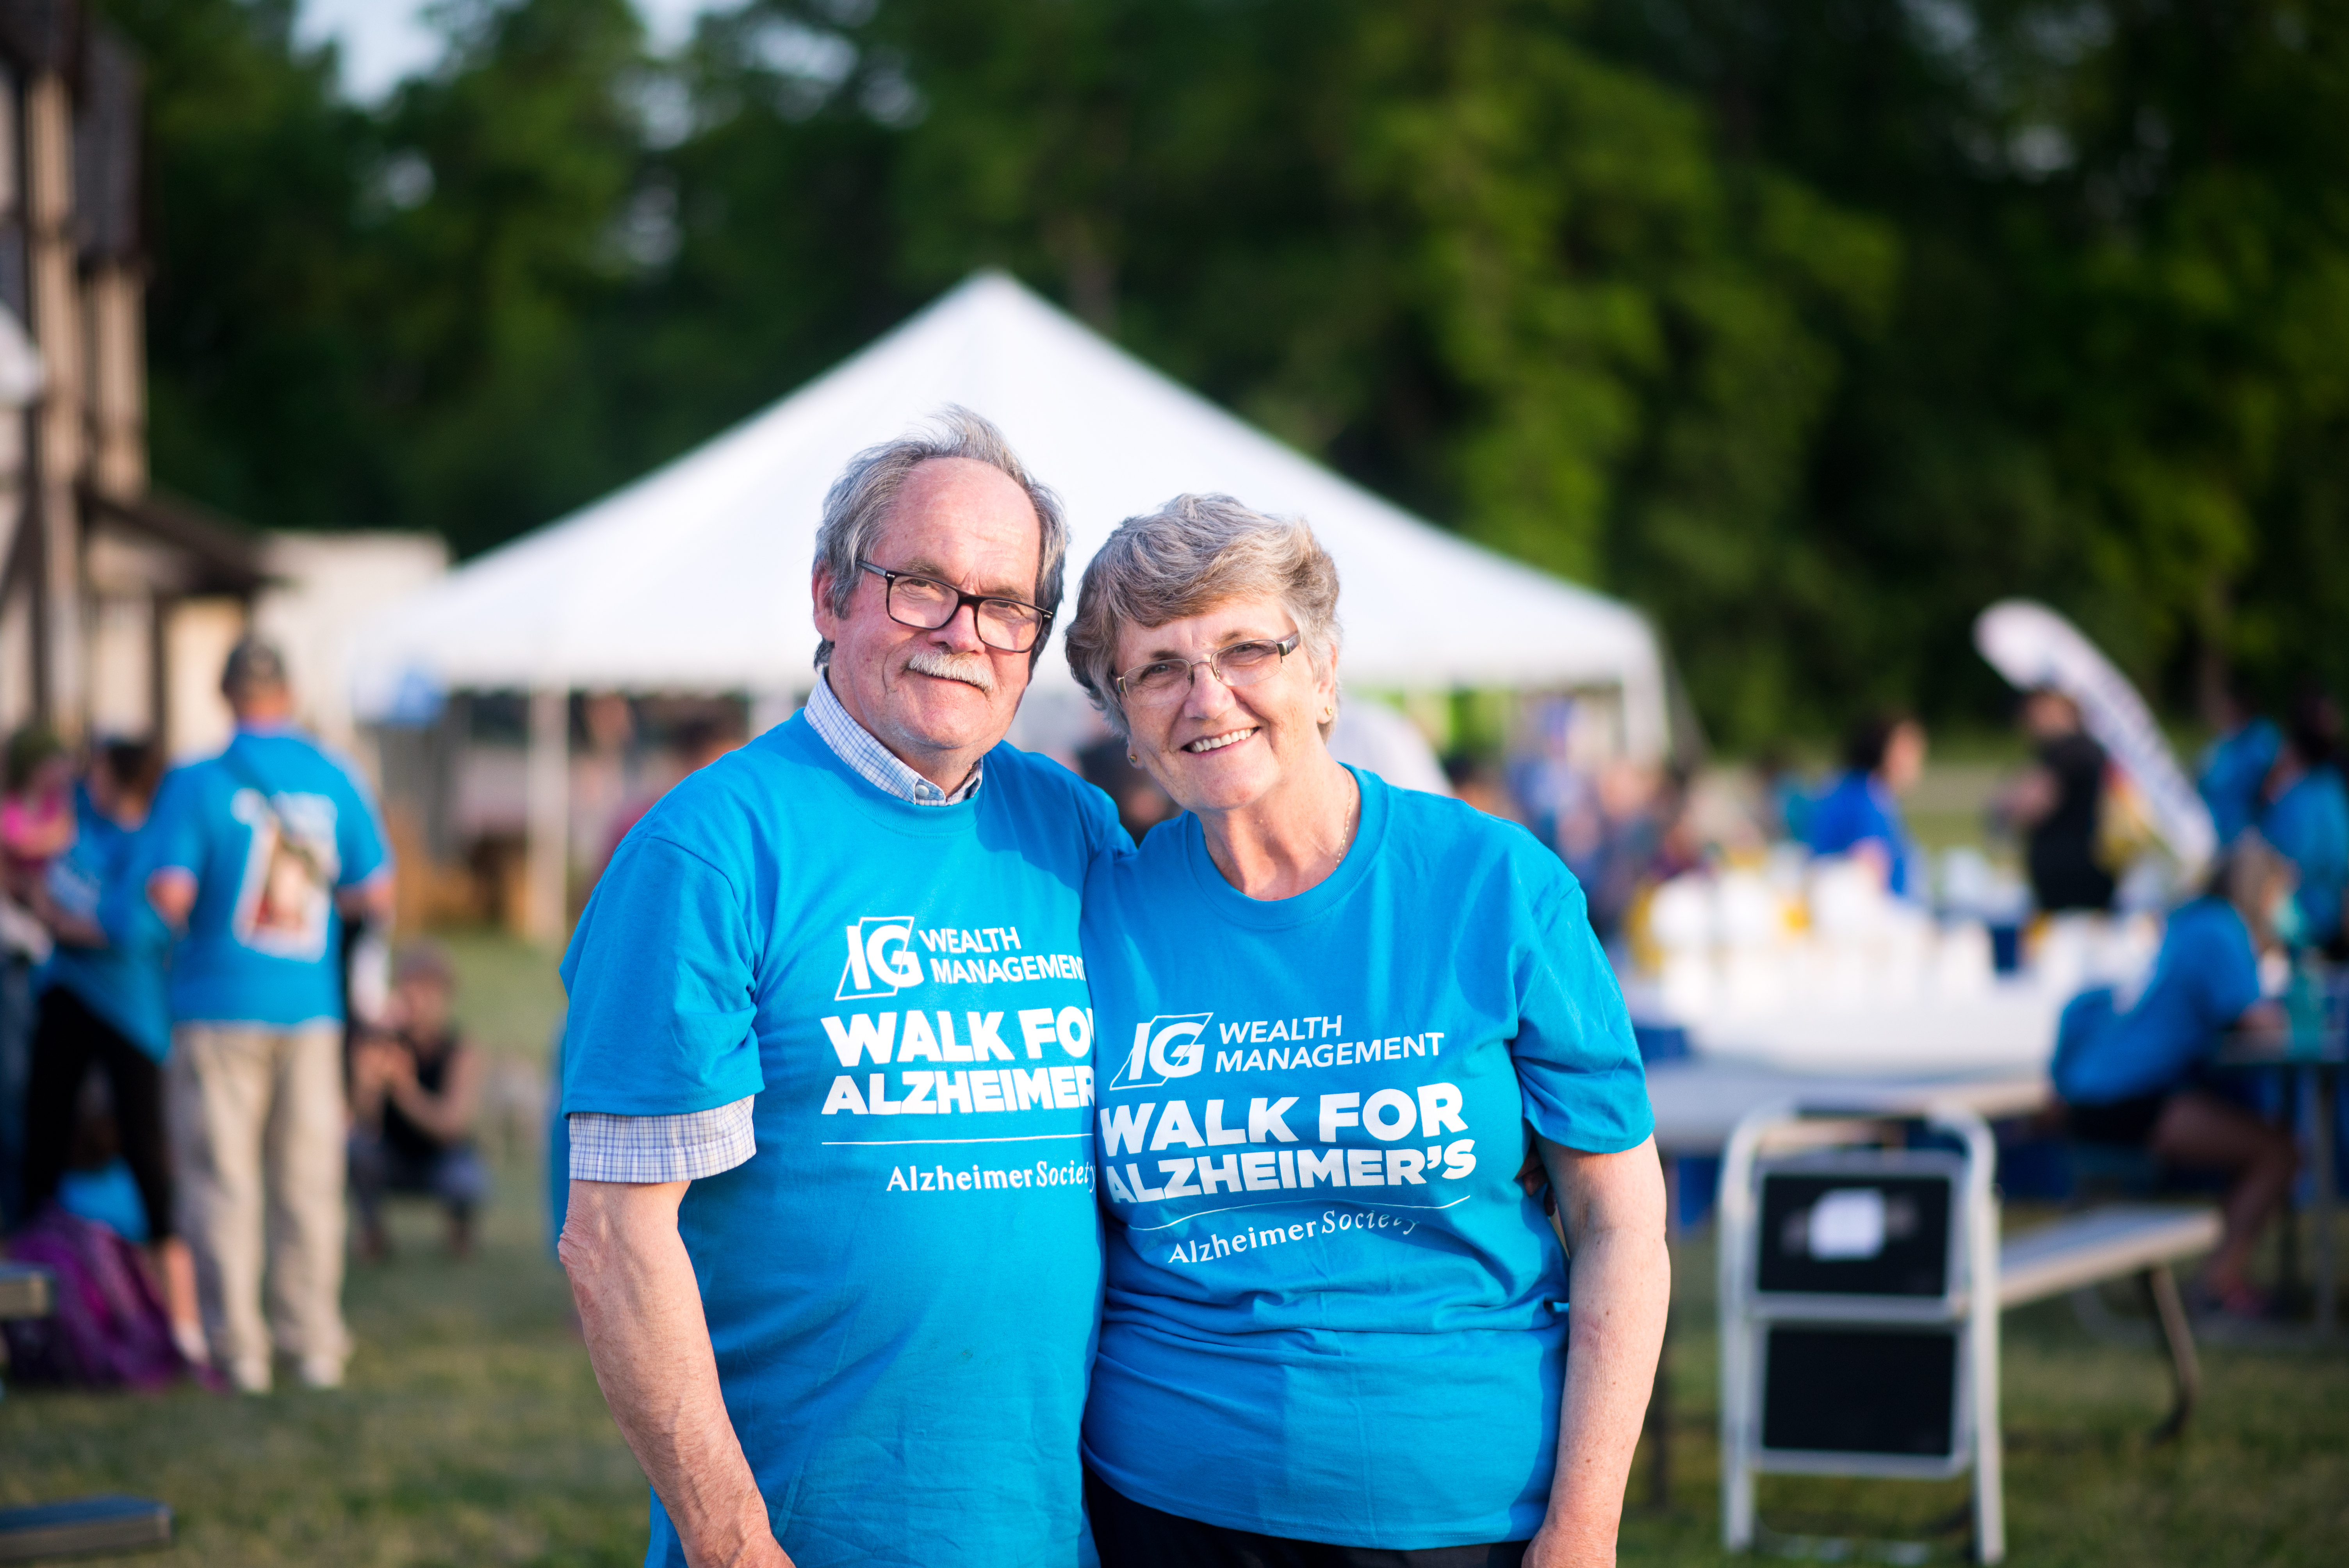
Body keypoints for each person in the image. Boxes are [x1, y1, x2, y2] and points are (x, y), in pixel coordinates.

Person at [557, 408, 1128, 1568]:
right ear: (830, 594)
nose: (962, 632)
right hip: (808, 1533)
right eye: (921, 587)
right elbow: (613, 1240)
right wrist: (733, 1544)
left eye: (1005, 605)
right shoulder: (708, 850)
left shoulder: (1071, 825)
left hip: (1054, 1530)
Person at [1064, 495, 1667, 1567]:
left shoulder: (1495, 884)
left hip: (1465, 1504)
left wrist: (1585, 1526)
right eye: (1157, 668)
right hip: (1166, 1505)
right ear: (1124, 718)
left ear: (1323, 671)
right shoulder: (1098, 912)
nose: (1207, 695)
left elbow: (1618, 1220)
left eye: (1246, 649)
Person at [132, 638, 394, 1392]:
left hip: (216, 1005)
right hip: (309, 1009)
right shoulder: (334, 775)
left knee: (224, 1179)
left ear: (225, 695)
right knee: (309, 1179)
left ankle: (237, 1349)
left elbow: (171, 894)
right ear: (290, 693)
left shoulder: (197, 780)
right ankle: (312, 1342)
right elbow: (375, 892)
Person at [2051, 836, 2300, 1313]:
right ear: (2262, 889)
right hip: (2124, 1099)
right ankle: (2218, 1284)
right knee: (2278, 1152)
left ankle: (2223, 1278)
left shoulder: (2191, 921)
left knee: (2263, 1145)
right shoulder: (2220, 929)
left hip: (2102, 1094)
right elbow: (2259, 1023)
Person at [18, 738, 200, 1356]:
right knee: (40, 1147)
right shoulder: (83, 826)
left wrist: (57, 919)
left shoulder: (154, 841)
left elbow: (129, 929)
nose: (87, 780)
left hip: (131, 1015)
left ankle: (183, 1324)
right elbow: (45, 808)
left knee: (147, 1154)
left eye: (97, 772)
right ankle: (30, 1313)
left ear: (119, 777)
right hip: (64, 1000)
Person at [349, 942, 487, 1260]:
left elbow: (453, 1126)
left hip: (441, 1160)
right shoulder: (382, 1042)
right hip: (393, 1155)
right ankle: (372, 1233)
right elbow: (363, 1122)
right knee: (356, 1151)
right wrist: (366, 1081)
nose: (415, 999)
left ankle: (460, 1232)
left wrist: (405, 1091)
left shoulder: (461, 1050)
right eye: (408, 987)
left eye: (426, 990)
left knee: (466, 1178)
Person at [1994, 688, 2116, 913]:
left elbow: (2031, 804)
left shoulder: (2070, 751)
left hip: (2074, 881)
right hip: (2086, 876)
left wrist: (2004, 803)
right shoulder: (2091, 749)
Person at [2256, 690, 2348, 956]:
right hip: (2334, 920)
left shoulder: (2295, 801)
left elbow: (2276, 868)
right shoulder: (2334, 789)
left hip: (2304, 926)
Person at [1806, 711, 1927, 898]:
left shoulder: (1847, 788)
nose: (1918, 757)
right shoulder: (1867, 800)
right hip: (1882, 912)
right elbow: (1867, 877)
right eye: (1909, 749)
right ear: (1884, 751)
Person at [2198, 678, 2279, 847]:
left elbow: (2270, 785)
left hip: (2234, 828)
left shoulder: (2263, 741)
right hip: (2211, 820)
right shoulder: (2228, 740)